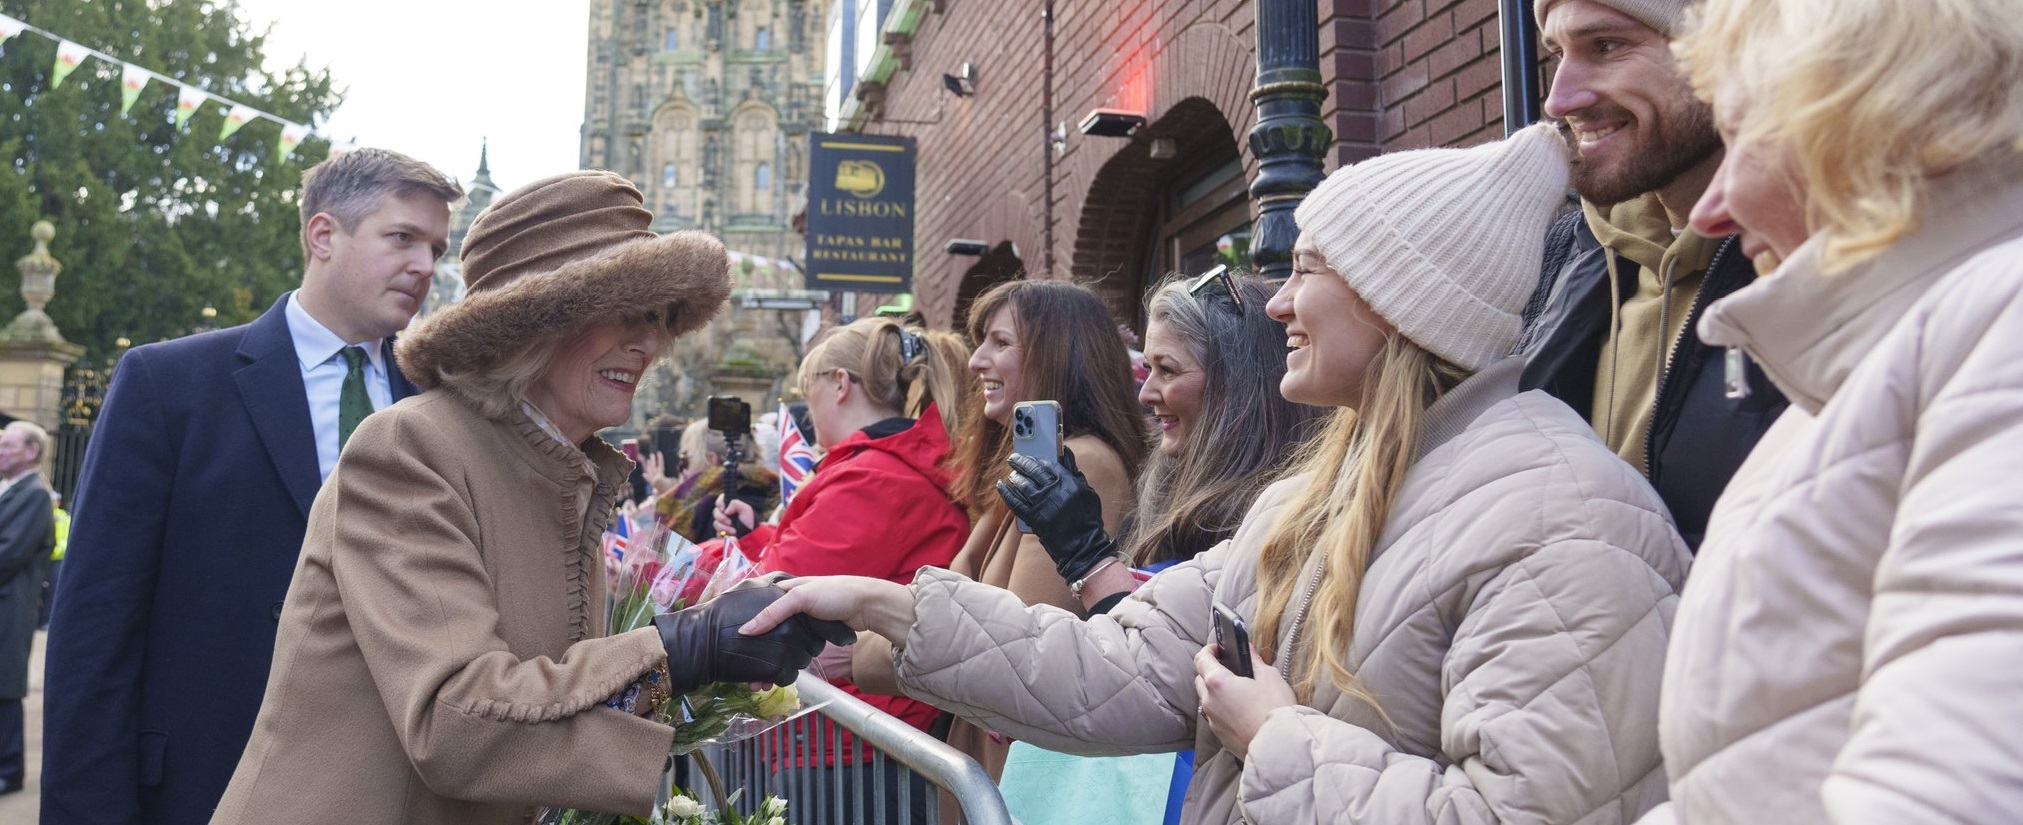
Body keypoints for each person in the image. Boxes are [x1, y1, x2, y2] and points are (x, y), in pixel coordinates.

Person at [749, 124, 1691, 825]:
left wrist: (1277, 741)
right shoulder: (1310, 498)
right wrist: (884, 606)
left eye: (1310, 268)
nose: (1276, 299)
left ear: (1403, 303)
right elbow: (1109, 667)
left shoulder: (1564, 518)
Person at [207, 171, 851, 823]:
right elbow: (458, 726)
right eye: (623, 310)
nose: (648, 342)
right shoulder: (411, 448)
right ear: (532, 324)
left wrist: (719, 638)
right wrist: (681, 647)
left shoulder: (565, 476)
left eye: (657, 317)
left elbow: (542, 715)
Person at [1641, 1, 2023, 822]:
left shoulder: (1999, 335)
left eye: (1742, 135)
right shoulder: (1844, 393)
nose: (1711, 211)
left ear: (1877, 116)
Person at [42, 148, 461, 825]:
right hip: (205, 785)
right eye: (402, 237)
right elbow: (93, 630)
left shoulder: (445, 405)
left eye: (436, 247)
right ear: (323, 235)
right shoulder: (169, 385)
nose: (425, 265)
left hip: (396, 792)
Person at [850, 278, 1151, 812]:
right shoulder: (1028, 469)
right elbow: (959, 589)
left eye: (1000, 343)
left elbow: (1011, 638)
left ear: (1057, 353)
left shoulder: (1083, 464)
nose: (976, 361)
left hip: (1018, 782)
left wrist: (855, 652)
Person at [1520, 0, 1789, 550]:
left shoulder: (1817, 260)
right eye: (1557, 53)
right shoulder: (1570, 261)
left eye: (1607, 46)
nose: (1559, 99)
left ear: (1728, 54)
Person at [713, 316, 976, 824]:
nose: (806, 407)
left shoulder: (873, 477)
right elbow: (822, 558)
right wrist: (752, 539)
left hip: (848, 744)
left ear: (839, 384)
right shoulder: (880, 468)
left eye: (807, 386)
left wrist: (698, 567)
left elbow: (779, 586)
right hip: (855, 735)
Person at [1003, 269, 1325, 615]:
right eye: (1149, 369)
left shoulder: (1271, 521)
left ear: (1237, 388)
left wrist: (1084, 553)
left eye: (1168, 370)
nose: (1147, 394)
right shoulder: (1169, 488)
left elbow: (1154, 653)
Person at [0, 421, 53, 796]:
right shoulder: (12, 490)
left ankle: (9, 769)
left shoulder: (34, 493)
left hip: (10, 608)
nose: (0, 451)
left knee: (5, 687)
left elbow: (10, 553)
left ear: (32, 451)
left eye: (7, 446)